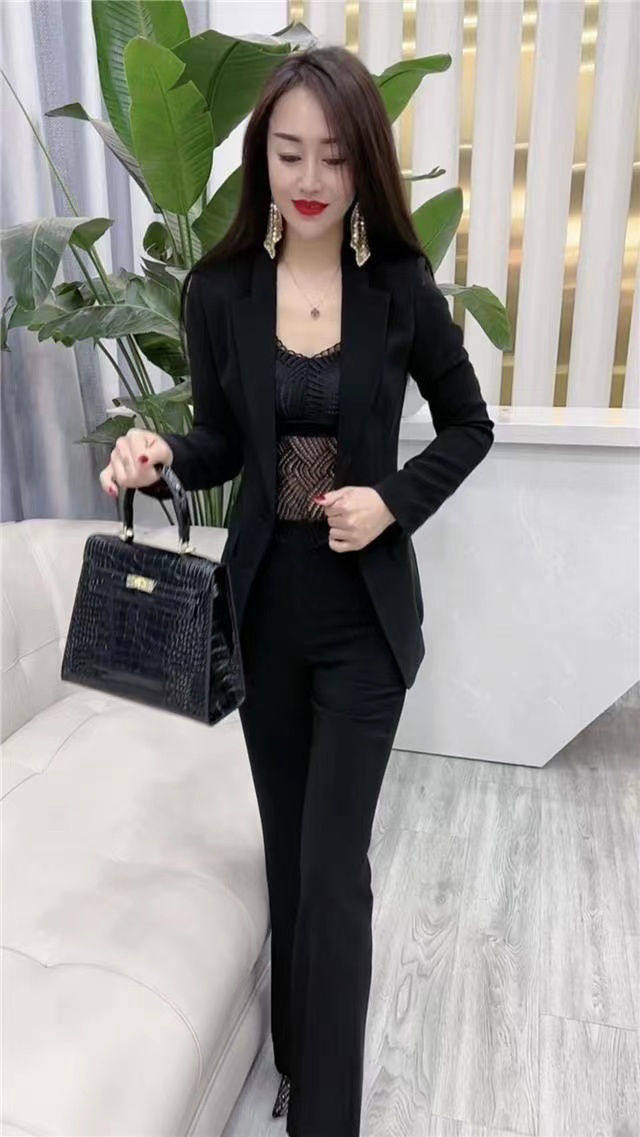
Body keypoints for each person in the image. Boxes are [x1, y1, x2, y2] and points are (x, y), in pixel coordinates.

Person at [99, 45, 494, 1137]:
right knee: (287, 854)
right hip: (264, 614)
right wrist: (159, 455)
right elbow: (222, 442)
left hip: (364, 622)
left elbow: (469, 425)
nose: (310, 177)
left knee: (333, 871)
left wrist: (392, 501)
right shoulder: (219, 290)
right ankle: (294, 1062)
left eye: (333, 154)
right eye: (287, 153)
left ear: (365, 162)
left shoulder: (398, 287)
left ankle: (330, 1118)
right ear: (259, 160)